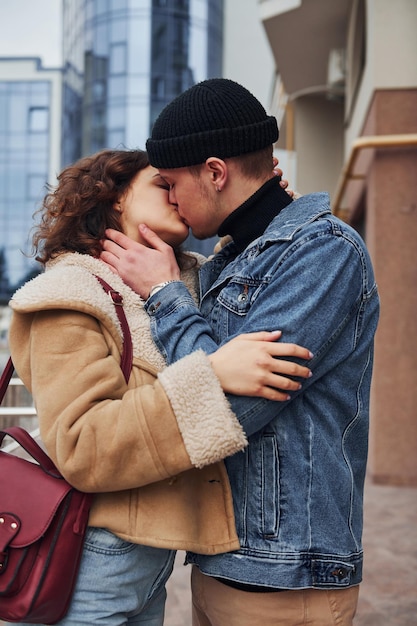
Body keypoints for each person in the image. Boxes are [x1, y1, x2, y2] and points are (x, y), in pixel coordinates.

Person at [101, 79, 380, 626]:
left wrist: (165, 296)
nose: (171, 198)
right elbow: (204, 377)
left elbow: (230, 412)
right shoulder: (233, 259)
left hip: (287, 574)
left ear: (215, 171)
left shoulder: (324, 253)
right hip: (224, 563)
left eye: (171, 182)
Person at [7, 148, 313, 626]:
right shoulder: (69, 295)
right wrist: (211, 377)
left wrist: (259, 208)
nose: (178, 193)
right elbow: (84, 445)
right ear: (114, 200)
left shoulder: (172, 284)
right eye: (162, 184)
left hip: (152, 564)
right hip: (92, 556)